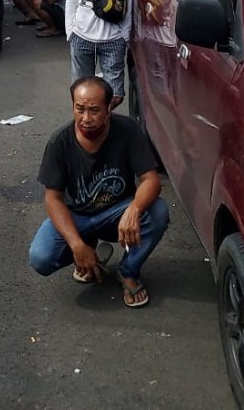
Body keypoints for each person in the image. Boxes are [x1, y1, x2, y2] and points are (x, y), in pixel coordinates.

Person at [28, 76, 169, 308]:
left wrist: (134, 209)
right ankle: (87, 252)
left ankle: (128, 271)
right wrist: (76, 245)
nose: (86, 118)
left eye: (94, 110)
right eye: (79, 109)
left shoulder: (128, 130)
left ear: (109, 108)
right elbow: (52, 200)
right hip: (77, 216)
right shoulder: (59, 142)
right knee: (40, 258)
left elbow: (151, 180)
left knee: (158, 211)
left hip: (117, 213)